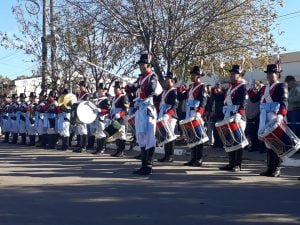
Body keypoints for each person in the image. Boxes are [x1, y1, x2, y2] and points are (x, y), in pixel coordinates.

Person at [248, 64, 287, 177]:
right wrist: (251, 87)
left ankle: (277, 168)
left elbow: (284, 102)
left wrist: (281, 115)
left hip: (275, 116)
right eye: (268, 73)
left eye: (271, 73)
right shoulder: (265, 88)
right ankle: (270, 168)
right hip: (264, 117)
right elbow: (254, 99)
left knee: (276, 142)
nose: (269, 75)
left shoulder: (281, 86)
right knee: (268, 143)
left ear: (277, 74)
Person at [133, 52, 159, 175]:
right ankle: (143, 164)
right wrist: (130, 87)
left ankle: (148, 165)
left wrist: (141, 95)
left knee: (149, 137)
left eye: (142, 64)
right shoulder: (141, 78)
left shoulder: (152, 76)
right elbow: (133, 90)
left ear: (148, 65)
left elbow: (151, 90)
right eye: (140, 64)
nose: (140, 66)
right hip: (140, 109)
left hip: (148, 109)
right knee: (141, 136)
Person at [219, 65, 247, 172]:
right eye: (231, 73)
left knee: (238, 140)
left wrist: (239, 113)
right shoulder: (230, 87)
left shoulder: (242, 87)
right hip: (229, 115)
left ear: (239, 75)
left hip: (238, 116)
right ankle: (231, 163)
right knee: (229, 139)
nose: (232, 75)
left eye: (234, 73)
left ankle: (237, 164)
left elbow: (243, 101)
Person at [178, 66, 208, 167]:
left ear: (198, 76)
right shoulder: (190, 87)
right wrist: (180, 86)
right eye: (191, 74)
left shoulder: (202, 87)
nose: (192, 76)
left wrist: (199, 113)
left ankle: (199, 159)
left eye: (193, 74)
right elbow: (181, 96)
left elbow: (203, 101)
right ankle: (193, 158)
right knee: (191, 136)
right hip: (188, 112)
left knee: (198, 137)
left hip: (196, 113)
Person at [157, 71, 178, 162]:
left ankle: (170, 155)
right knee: (165, 135)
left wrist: (168, 114)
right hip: (164, 114)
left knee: (170, 135)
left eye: (167, 79)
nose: (165, 81)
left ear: (173, 81)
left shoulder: (173, 91)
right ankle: (166, 154)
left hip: (170, 116)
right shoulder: (165, 91)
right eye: (165, 79)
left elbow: (175, 105)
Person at [110, 81, 129, 157]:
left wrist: (120, 114)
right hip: (115, 118)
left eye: (117, 88)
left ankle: (121, 151)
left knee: (121, 135)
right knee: (117, 135)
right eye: (114, 88)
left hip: (121, 119)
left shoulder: (123, 97)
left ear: (121, 89)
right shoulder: (114, 98)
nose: (115, 90)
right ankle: (118, 150)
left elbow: (126, 109)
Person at [90, 83, 110, 154]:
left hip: (103, 118)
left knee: (102, 133)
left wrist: (100, 110)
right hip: (98, 118)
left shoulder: (106, 100)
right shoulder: (98, 99)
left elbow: (108, 110)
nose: (99, 91)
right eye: (98, 89)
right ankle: (98, 148)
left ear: (104, 90)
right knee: (98, 133)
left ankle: (102, 148)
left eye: (100, 89)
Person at [73, 80, 90, 153]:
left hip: (83, 113)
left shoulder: (87, 95)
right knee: (80, 130)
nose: (80, 87)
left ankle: (84, 146)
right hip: (79, 113)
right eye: (80, 86)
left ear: (85, 87)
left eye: (81, 86)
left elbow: (85, 104)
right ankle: (80, 145)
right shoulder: (80, 94)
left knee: (83, 130)